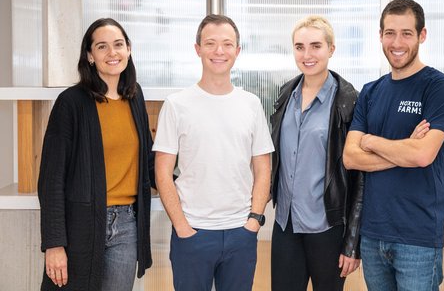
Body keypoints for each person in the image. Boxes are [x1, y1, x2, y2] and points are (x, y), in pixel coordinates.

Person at [343, 0, 444, 291]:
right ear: (380, 36)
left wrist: (371, 141)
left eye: (406, 33)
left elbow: (422, 155)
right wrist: (404, 147)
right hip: (372, 233)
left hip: (418, 238)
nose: (397, 42)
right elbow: (351, 157)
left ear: (422, 35)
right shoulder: (370, 92)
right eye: (390, 33)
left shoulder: (439, 87)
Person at [153, 14, 274, 291]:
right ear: (197, 49)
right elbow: (162, 172)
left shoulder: (251, 104)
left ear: (237, 51)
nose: (219, 51)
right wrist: (183, 227)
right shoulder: (176, 105)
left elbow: (263, 168)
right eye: (210, 43)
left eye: (227, 44)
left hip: (240, 233)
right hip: (193, 232)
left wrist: (254, 221)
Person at [38, 18, 155, 291]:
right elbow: (51, 179)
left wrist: (183, 187)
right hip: (80, 225)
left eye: (118, 45)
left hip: (126, 225)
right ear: (90, 56)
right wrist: (54, 243)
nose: (112, 53)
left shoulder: (134, 97)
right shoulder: (71, 103)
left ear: (129, 49)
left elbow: (147, 161)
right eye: (102, 47)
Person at [269, 15, 363, 291]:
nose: (307, 54)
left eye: (316, 46)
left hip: (328, 227)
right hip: (286, 224)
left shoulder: (349, 101)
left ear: (331, 49)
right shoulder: (285, 95)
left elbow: (359, 177)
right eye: (299, 47)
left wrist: (352, 241)